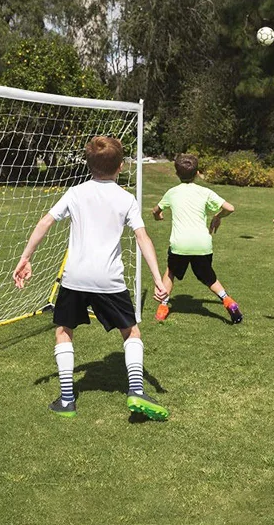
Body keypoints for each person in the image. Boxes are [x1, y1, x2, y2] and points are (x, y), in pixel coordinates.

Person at [13, 136, 169, 420]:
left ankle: (67, 400)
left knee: (63, 331)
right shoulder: (126, 198)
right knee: (131, 332)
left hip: (75, 278)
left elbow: (45, 221)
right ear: (121, 166)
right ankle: (136, 389)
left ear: (88, 165)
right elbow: (142, 237)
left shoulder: (75, 192)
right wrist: (158, 278)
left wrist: (26, 258)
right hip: (109, 280)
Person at [151, 153, 242, 324]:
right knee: (209, 278)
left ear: (177, 174)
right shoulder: (205, 192)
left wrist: (158, 215)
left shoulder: (172, 192)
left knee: (170, 272)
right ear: (197, 173)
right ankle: (228, 301)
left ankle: (163, 307)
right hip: (203, 244)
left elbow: (156, 210)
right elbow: (230, 208)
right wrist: (218, 216)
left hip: (180, 245)